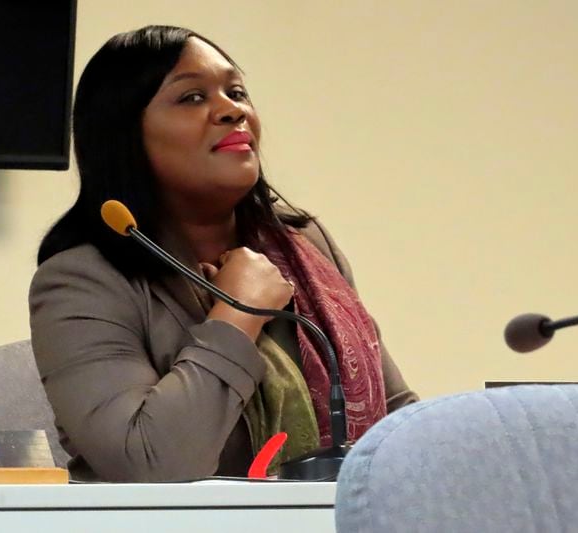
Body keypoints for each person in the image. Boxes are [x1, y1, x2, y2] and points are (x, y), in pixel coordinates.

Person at [30, 25, 418, 482]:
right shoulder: (81, 280)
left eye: (237, 92)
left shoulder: (305, 249)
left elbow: (395, 419)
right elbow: (149, 461)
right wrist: (238, 317)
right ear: (124, 134)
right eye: (192, 97)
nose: (233, 110)